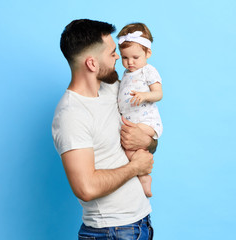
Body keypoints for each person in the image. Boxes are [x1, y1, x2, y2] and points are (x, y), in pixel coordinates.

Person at [52, 19, 157, 239]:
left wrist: (146, 141)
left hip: (139, 222)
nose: (118, 57)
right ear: (91, 63)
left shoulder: (114, 89)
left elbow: (149, 136)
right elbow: (86, 188)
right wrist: (135, 167)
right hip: (111, 231)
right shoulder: (71, 115)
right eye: (111, 54)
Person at [117, 23, 163, 197]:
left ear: (148, 53)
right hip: (132, 121)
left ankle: (144, 178)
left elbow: (158, 93)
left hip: (146, 121)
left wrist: (145, 95)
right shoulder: (126, 74)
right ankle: (142, 175)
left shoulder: (148, 71)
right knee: (129, 149)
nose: (130, 62)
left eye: (135, 57)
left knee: (134, 142)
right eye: (125, 58)